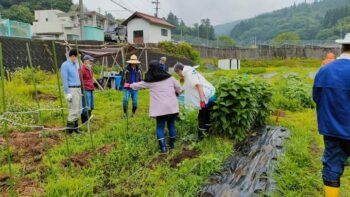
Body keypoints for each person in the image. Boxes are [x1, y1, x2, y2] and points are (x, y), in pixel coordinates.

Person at [313, 33, 350, 197]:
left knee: (332, 167)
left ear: (341, 47)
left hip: (332, 129)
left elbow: (316, 97)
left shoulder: (324, 70)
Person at [129, 60, 183, 153]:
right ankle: (172, 144)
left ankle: (163, 148)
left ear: (150, 69)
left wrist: (129, 85)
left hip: (160, 109)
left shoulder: (150, 81)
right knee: (171, 125)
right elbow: (179, 89)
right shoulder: (170, 78)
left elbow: (137, 85)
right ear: (160, 67)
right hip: (172, 107)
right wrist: (176, 92)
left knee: (160, 127)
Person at [174, 63, 216, 141]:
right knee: (207, 115)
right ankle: (208, 135)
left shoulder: (189, 74)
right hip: (210, 94)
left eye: (177, 73)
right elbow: (185, 88)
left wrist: (202, 100)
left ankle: (201, 139)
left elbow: (198, 86)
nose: (179, 75)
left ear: (179, 70)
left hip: (206, 97)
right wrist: (177, 93)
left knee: (201, 117)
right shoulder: (189, 72)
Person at [61, 49, 82, 134]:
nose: (77, 59)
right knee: (73, 109)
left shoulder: (75, 65)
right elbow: (64, 79)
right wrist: (67, 92)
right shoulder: (65, 65)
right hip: (71, 89)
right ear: (72, 56)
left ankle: (75, 129)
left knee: (78, 109)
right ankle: (69, 131)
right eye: (77, 57)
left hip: (78, 88)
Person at [79, 55, 95, 124]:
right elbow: (80, 79)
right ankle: (84, 121)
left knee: (91, 105)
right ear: (85, 61)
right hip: (85, 89)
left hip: (90, 88)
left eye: (91, 61)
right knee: (86, 106)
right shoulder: (82, 69)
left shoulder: (90, 69)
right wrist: (81, 89)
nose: (91, 62)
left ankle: (88, 118)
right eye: (90, 61)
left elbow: (91, 79)